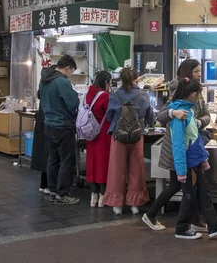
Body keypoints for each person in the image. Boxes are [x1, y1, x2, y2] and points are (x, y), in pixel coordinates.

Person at [142, 59, 210, 232]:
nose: (199, 74)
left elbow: (207, 115)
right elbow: (162, 116)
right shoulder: (178, 90)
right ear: (187, 73)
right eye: (196, 71)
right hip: (178, 146)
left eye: (200, 71)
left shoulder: (197, 91)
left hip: (192, 144)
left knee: (183, 185)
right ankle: (153, 215)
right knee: (182, 185)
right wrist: (174, 113)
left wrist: (199, 123)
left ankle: (191, 220)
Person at [169, 78, 217, 240]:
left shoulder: (188, 112)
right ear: (191, 94)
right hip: (189, 164)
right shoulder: (180, 115)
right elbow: (178, 145)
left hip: (196, 161)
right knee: (189, 197)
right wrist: (182, 171)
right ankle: (181, 228)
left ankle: (214, 226)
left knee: (204, 194)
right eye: (197, 94)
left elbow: (194, 137)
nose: (198, 97)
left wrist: (203, 159)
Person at [103, 68, 154, 215]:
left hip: (118, 137)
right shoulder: (144, 95)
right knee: (136, 170)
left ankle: (117, 205)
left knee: (116, 170)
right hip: (137, 137)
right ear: (135, 79)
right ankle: (135, 204)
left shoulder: (114, 96)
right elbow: (150, 118)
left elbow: (108, 117)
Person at [39, 55, 80, 205]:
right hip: (63, 125)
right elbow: (73, 103)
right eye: (72, 72)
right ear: (67, 68)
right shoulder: (61, 82)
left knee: (53, 159)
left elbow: (40, 96)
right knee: (66, 161)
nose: (71, 75)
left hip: (48, 123)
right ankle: (62, 194)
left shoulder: (44, 79)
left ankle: (53, 190)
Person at [85, 71, 113, 208]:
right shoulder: (106, 96)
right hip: (103, 133)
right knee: (103, 163)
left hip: (90, 132)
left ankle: (93, 196)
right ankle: (102, 197)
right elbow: (110, 113)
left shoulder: (89, 92)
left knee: (92, 162)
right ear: (106, 82)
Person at [31, 68, 51, 197]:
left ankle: (44, 184)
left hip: (41, 121)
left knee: (44, 153)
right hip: (50, 122)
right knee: (51, 155)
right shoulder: (54, 84)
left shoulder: (43, 84)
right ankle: (49, 185)